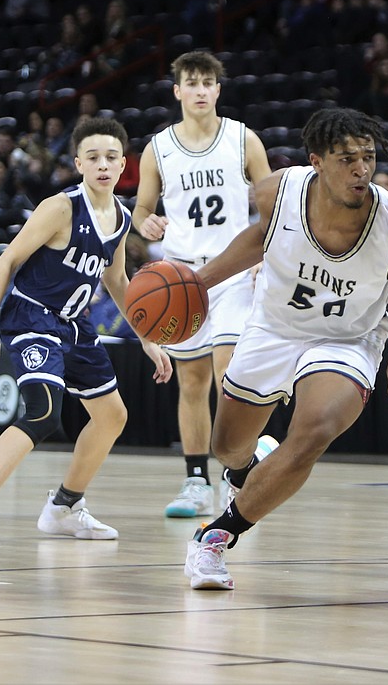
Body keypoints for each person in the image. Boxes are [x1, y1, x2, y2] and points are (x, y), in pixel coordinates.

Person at [182, 107, 388, 590]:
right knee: (227, 448)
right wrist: (199, 283)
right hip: (274, 327)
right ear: (317, 161)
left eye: (368, 157)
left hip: (348, 339)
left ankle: (216, 536)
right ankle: (250, 468)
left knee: (313, 432)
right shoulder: (276, 192)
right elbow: (260, 238)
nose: (361, 170)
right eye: (346, 159)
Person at [0, 118, 172, 555]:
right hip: (31, 317)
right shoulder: (61, 207)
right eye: (94, 157)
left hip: (74, 324)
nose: (103, 165)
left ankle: (64, 506)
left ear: (124, 165)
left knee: (113, 416)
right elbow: (6, 262)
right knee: (44, 413)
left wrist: (147, 338)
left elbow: (117, 281)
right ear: (78, 162)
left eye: (112, 157)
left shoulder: (120, 217)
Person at [132, 51, 272, 519]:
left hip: (232, 271)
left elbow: (274, 201)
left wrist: (267, 257)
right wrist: (146, 224)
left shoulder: (242, 138)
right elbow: (141, 210)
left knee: (228, 371)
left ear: (217, 90)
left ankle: (239, 468)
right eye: (190, 83)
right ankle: (196, 480)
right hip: (181, 277)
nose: (198, 90)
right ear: (177, 91)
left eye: (207, 83)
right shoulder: (159, 148)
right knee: (191, 382)